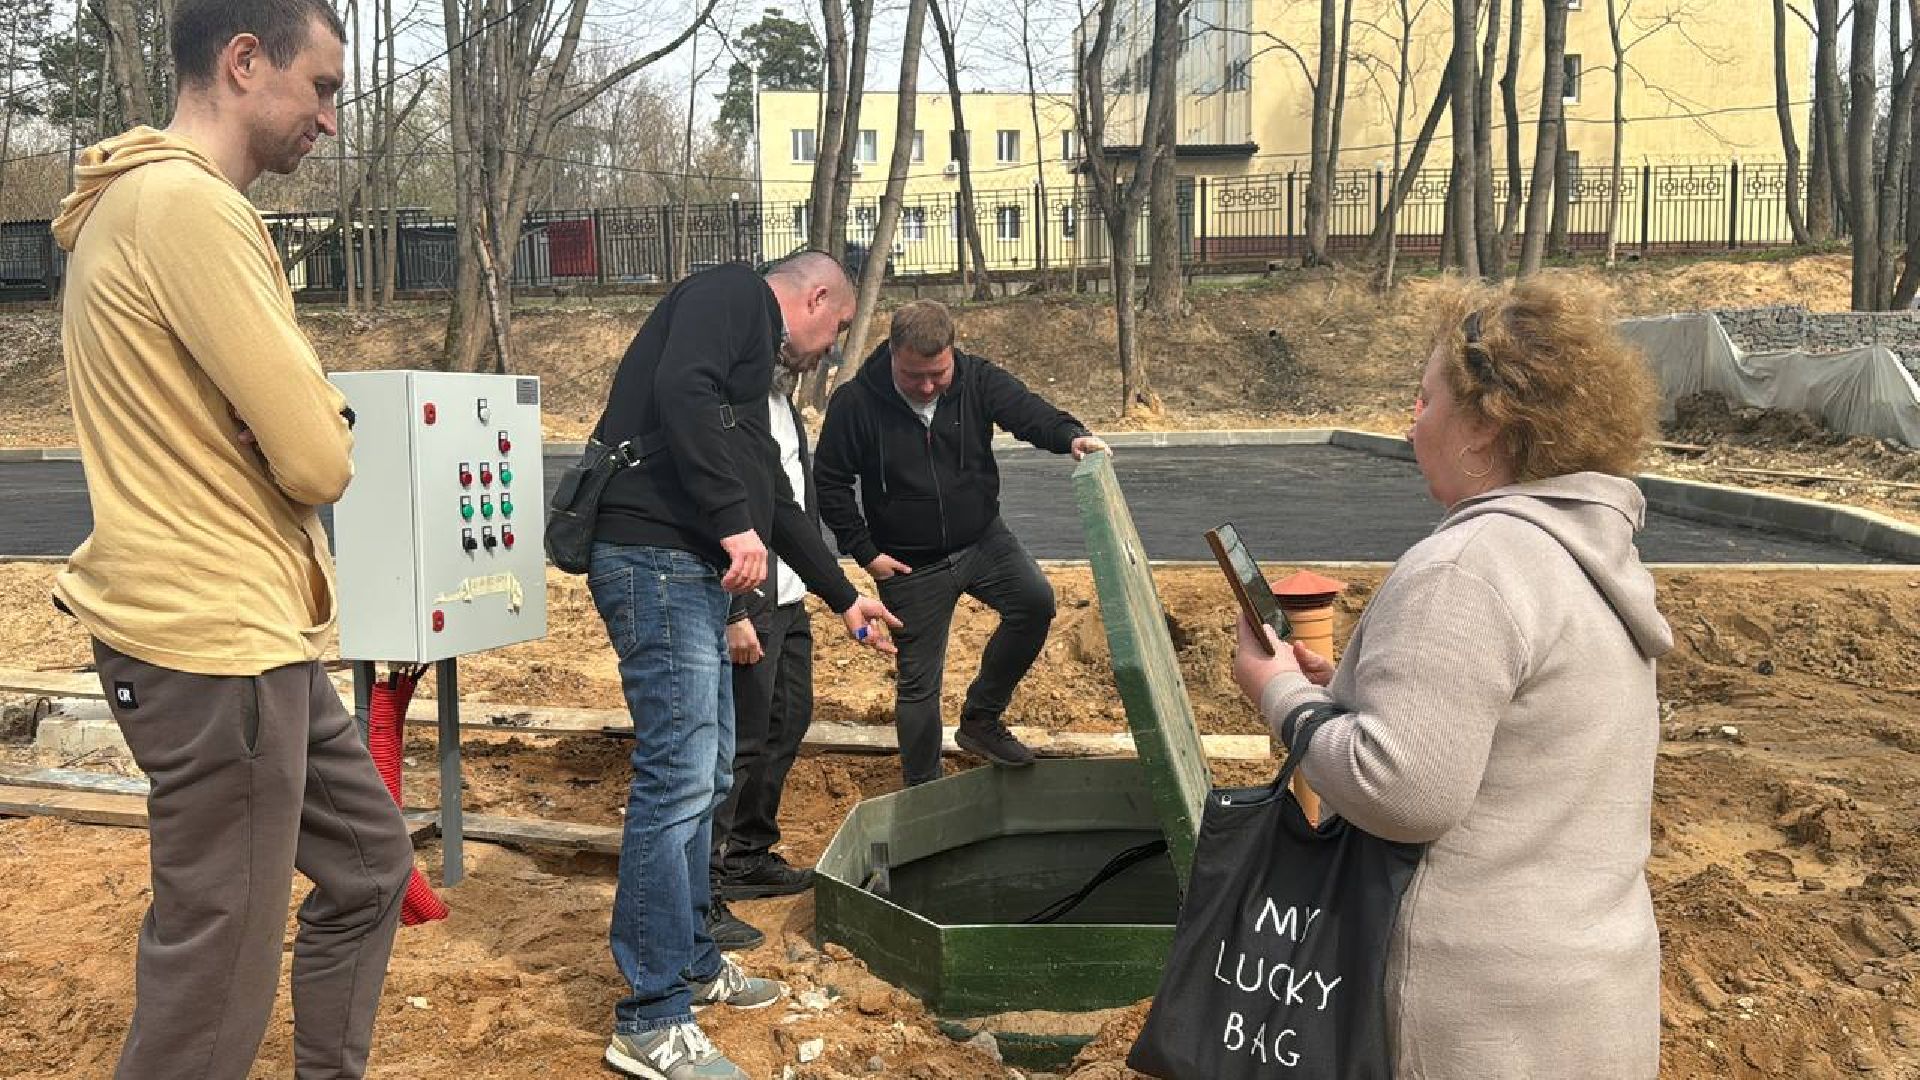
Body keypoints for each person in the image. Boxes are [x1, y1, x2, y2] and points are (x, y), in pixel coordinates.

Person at [49, 2, 416, 1078]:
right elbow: (317, 457)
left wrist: (297, 415)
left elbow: (292, 427)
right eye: (325, 85)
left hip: (263, 640)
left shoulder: (144, 206)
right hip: (215, 647)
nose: (332, 118)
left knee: (370, 865)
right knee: (214, 984)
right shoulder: (185, 208)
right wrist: (314, 417)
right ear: (245, 63)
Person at [1230, 275, 1671, 1078]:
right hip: (1592, 992)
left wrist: (1279, 694)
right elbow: (1508, 743)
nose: (1412, 421)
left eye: (1425, 398)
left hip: (1478, 1015)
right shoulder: (1587, 561)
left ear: (1485, 424)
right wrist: (1346, 702)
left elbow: (1404, 792)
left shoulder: (1468, 567)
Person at [587, 252, 900, 1080]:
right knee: (678, 777)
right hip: (651, 562)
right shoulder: (729, 296)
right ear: (816, 295)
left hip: (689, 575)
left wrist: (844, 597)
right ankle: (651, 1017)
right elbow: (677, 393)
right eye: (833, 333)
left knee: (711, 770)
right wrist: (731, 522)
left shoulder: (750, 382)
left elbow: (777, 499)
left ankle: (690, 957)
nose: (827, 351)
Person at [814, 300, 1109, 786]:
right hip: (908, 566)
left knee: (1035, 603)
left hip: (983, 541)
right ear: (892, 354)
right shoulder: (856, 403)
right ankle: (924, 793)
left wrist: (1071, 436)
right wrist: (864, 551)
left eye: (938, 373)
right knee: (918, 688)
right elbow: (830, 482)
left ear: (952, 354)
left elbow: (1028, 411)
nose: (928, 385)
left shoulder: (976, 380)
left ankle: (981, 720)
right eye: (914, 375)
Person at [706, 365, 825, 952]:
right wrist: (734, 611)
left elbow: (794, 501)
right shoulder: (733, 405)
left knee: (787, 722)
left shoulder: (786, 402)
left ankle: (749, 853)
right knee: (740, 745)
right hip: (751, 601)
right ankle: (707, 886)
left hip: (790, 596)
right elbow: (715, 507)